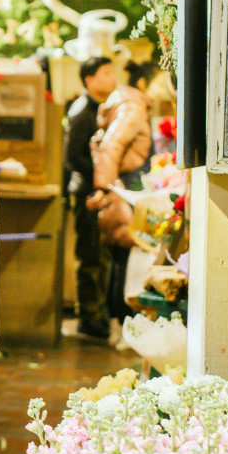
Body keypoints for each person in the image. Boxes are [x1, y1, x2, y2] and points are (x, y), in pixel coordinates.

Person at [88, 59, 156, 343]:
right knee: (125, 259)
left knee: (121, 258)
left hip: (121, 186)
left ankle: (120, 328)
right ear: (144, 83)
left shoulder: (129, 105)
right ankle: (122, 329)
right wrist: (104, 187)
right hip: (125, 188)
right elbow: (111, 147)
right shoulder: (133, 107)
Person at [63, 55, 117, 339]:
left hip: (100, 190)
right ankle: (87, 316)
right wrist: (102, 176)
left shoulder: (105, 108)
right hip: (86, 192)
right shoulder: (82, 111)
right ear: (89, 80)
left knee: (102, 254)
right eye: (105, 73)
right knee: (89, 255)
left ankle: (99, 312)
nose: (112, 77)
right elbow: (73, 158)